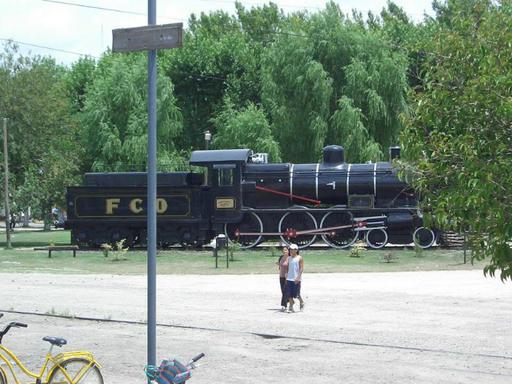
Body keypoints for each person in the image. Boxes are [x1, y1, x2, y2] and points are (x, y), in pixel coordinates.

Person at [284, 243, 305, 313]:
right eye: (290, 249)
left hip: (296, 278)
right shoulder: (289, 258)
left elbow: (301, 268)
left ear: (296, 250)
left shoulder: (299, 258)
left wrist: (298, 277)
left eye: (293, 249)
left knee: (297, 294)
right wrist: (286, 275)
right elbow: (287, 268)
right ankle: (291, 306)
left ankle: (301, 302)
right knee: (289, 293)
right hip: (289, 278)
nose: (291, 251)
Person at [277, 245, 289, 312]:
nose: (284, 251)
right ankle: (289, 301)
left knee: (285, 291)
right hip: (281, 276)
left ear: (288, 251)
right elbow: (280, 266)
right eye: (283, 250)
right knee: (283, 291)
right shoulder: (281, 257)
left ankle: (284, 305)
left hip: (287, 277)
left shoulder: (290, 258)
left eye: (286, 250)